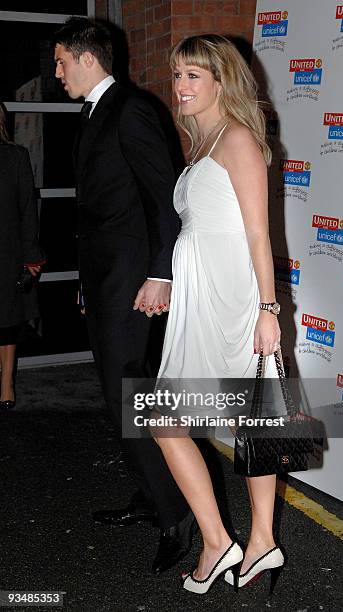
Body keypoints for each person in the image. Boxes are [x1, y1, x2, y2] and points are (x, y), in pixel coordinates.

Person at [52, 17, 194, 574]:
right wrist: (89, 285)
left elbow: (165, 198)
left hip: (135, 283)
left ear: (89, 59)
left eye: (62, 62)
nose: (57, 73)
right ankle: (149, 495)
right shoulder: (93, 113)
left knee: (131, 396)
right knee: (120, 399)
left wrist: (162, 273)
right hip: (108, 282)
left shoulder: (131, 109)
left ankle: (178, 514)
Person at [153, 35, 284, 594]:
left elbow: (259, 233)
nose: (180, 87)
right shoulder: (200, 142)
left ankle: (241, 542)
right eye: (178, 75)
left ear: (220, 82)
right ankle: (249, 542)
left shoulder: (236, 140)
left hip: (232, 299)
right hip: (198, 298)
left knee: (230, 419)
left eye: (193, 77)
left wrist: (268, 309)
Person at [0, 103, 44, 410]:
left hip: (7, 250)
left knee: (7, 321)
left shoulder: (15, 156)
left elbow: (28, 209)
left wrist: (31, 257)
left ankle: (7, 384)